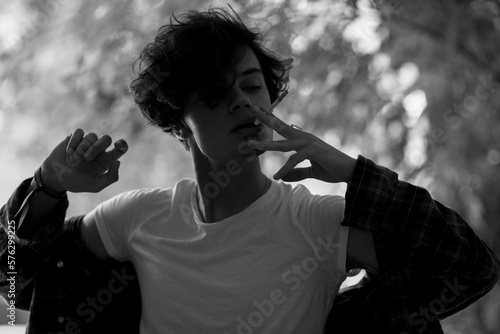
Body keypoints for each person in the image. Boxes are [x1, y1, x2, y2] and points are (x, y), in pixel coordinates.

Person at [1, 6, 499, 334]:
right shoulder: (139, 218)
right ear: (179, 121)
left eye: (252, 85)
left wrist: (354, 172)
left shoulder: (316, 224)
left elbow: (465, 268)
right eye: (216, 93)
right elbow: (13, 282)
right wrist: (47, 187)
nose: (241, 103)